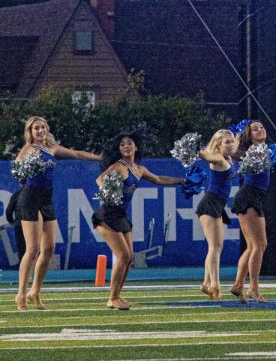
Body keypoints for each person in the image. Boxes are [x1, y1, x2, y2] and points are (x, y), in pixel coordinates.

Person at [14, 115, 101, 311]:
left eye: (43, 127)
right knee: (33, 249)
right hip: (30, 198)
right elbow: (17, 170)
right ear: (30, 131)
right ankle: (20, 293)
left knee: (49, 248)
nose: (40, 131)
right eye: (36, 128)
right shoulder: (28, 150)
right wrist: (27, 169)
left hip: (46, 199)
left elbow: (77, 154)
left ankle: (35, 291)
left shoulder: (51, 148)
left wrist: (100, 158)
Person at [93, 131, 184, 311]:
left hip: (121, 216)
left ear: (136, 147)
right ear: (119, 150)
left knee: (129, 258)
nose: (126, 146)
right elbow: (100, 179)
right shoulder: (119, 166)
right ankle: (112, 298)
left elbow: (159, 179)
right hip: (106, 215)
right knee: (124, 255)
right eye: (122, 145)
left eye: (129, 143)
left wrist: (181, 180)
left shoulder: (138, 169)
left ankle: (117, 295)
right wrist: (109, 191)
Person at [230, 120, 276, 303]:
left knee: (253, 246)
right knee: (260, 245)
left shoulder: (266, 149)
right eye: (254, 129)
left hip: (254, 196)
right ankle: (254, 289)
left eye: (262, 127)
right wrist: (237, 138)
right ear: (249, 135)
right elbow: (235, 154)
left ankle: (238, 285)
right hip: (249, 195)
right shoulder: (251, 151)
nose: (260, 130)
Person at [195, 128, 237, 299]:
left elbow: (237, 141)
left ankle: (206, 283)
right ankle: (215, 286)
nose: (231, 144)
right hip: (210, 202)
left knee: (216, 247)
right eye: (226, 142)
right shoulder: (218, 158)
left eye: (232, 141)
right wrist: (195, 147)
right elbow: (206, 156)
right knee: (215, 247)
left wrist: (240, 133)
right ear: (218, 144)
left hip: (218, 204)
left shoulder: (228, 157)